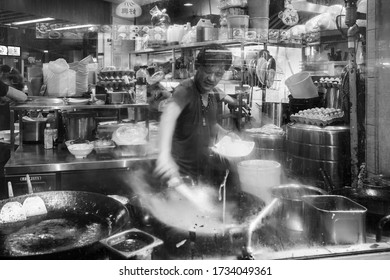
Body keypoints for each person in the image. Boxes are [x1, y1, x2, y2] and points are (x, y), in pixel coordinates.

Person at [154, 44, 240, 184]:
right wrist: (164, 155)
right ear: (197, 67)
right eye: (207, 71)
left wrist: (226, 133)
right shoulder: (186, 89)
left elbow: (209, 124)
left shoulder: (212, 93)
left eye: (218, 74)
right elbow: (168, 117)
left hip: (203, 172)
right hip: (179, 174)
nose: (211, 78)